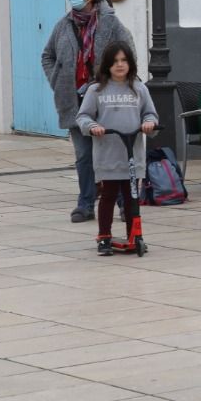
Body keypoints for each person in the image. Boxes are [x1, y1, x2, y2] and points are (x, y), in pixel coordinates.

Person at [40, 0, 134, 223]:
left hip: (106, 99)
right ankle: (85, 204)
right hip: (74, 101)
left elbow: (129, 54)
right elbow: (47, 55)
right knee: (83, 155)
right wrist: (56, 80)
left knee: (114, 154)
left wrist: (116, 85)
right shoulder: (63, 25)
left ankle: (125, 204)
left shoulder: (111, 24)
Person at [77, 42, 159, 256]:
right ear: (107, 65)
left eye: (123, 60)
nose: (120, 65)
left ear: (130, 63)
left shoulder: (139, 88)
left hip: (132, 154)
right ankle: (104, 236)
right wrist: (92, 126)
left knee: (132, 196)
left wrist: (149, 124)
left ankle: (135, 235)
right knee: (108, 196)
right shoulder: (96, 90)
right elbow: (83, 116)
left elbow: (150, 114)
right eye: (115, 62)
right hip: (108, 154)